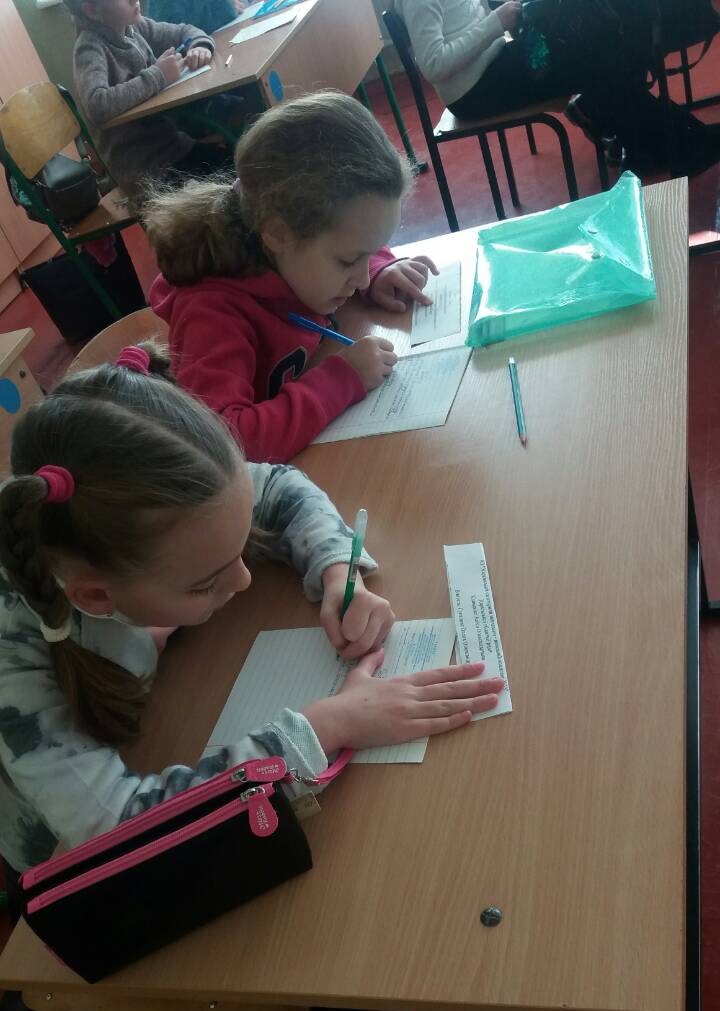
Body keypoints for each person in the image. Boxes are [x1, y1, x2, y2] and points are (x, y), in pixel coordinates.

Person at [0, 343, 502, 920]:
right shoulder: (17, 666)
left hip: (156, 703)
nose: (241, 581)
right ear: (95, 596)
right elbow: (117, 830)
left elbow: (278, 488)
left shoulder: (164, 499)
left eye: (240, 551)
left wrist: (335, 567)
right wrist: (330, 724)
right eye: (206, 581)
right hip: (70, 862)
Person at [146, 91, 440, 463]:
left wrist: (380, 267)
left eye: (370, 252)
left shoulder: (293, 250)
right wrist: (341, 380)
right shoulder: (211, 313)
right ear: (278, 235)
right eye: (349, 260)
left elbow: (351, 235)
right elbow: (223, 446)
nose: (362, 280)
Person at [391, 0, 720, 176]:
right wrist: (496, 22)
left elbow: (472, 15)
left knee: (589, 48)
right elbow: (433, 64)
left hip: (493, 60)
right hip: (475, 91)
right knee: (588, 60)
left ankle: (645, 141)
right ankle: (678, 142)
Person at [65, 0, 231, 204]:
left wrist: (199, 44)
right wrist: (159, 75)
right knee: (232, 184)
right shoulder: (89, 48)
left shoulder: (134, 26)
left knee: (235, 163)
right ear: (92, 11)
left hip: (173, 147)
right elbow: (96, 104)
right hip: (146, 172)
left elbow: (184, 31)